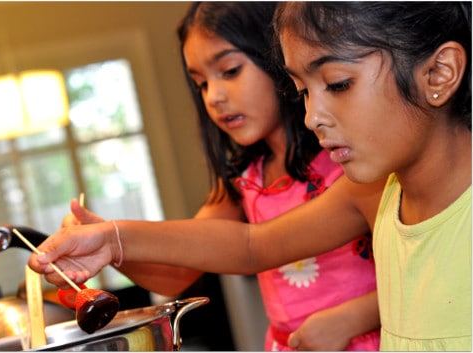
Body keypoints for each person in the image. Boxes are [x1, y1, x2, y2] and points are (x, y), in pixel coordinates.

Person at [29, 2, 471, 351]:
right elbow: (249, 246)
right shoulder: (353, 181)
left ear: (439, 73)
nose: (313, 115)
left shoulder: (366, 179)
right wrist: (110, 240)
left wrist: (351, 318)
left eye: (337, 83)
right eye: (301, 92)